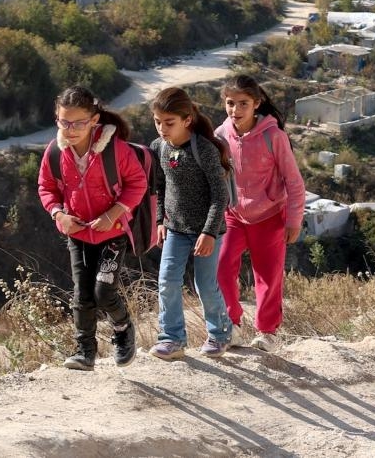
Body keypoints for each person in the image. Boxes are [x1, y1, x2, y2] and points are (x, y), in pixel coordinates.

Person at [37, 85, 147, 371]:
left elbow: (137, 184)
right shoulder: (54, 152)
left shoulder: (116, 150)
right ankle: (85, 351)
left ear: (94, 120)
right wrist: (58, 214)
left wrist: (113, 214)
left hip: (112, 234)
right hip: (77, 234)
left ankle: (123, 330)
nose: (70, 129)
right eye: (64, 122)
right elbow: (46, 187)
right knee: (82, 294)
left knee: (103, 292)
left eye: (78, 123)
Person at [215, 74, 306, 351]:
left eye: (243, 103)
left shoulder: (273, 136)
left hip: (269, 216)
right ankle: (232, 323)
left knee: (268, 276)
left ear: (257, 104)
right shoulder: (220, 136)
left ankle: (267, 333)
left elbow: (294, 181)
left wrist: (293, 220)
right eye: (231, 103)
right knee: (220, 268)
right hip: (233, 215)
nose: (236, 110)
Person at [148, 87, 233, 360]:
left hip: (207, 230)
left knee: (205, 285)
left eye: (169, 123)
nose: (162, 128)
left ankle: (220, 334)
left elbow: (221, 196)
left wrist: (209, 232)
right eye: (158, 122)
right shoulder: (158, 147)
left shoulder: (204, 149)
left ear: (186, 120)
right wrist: (160, 220)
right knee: (167, 282)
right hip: (175, 229)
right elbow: (161, 187)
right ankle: (172, 339)